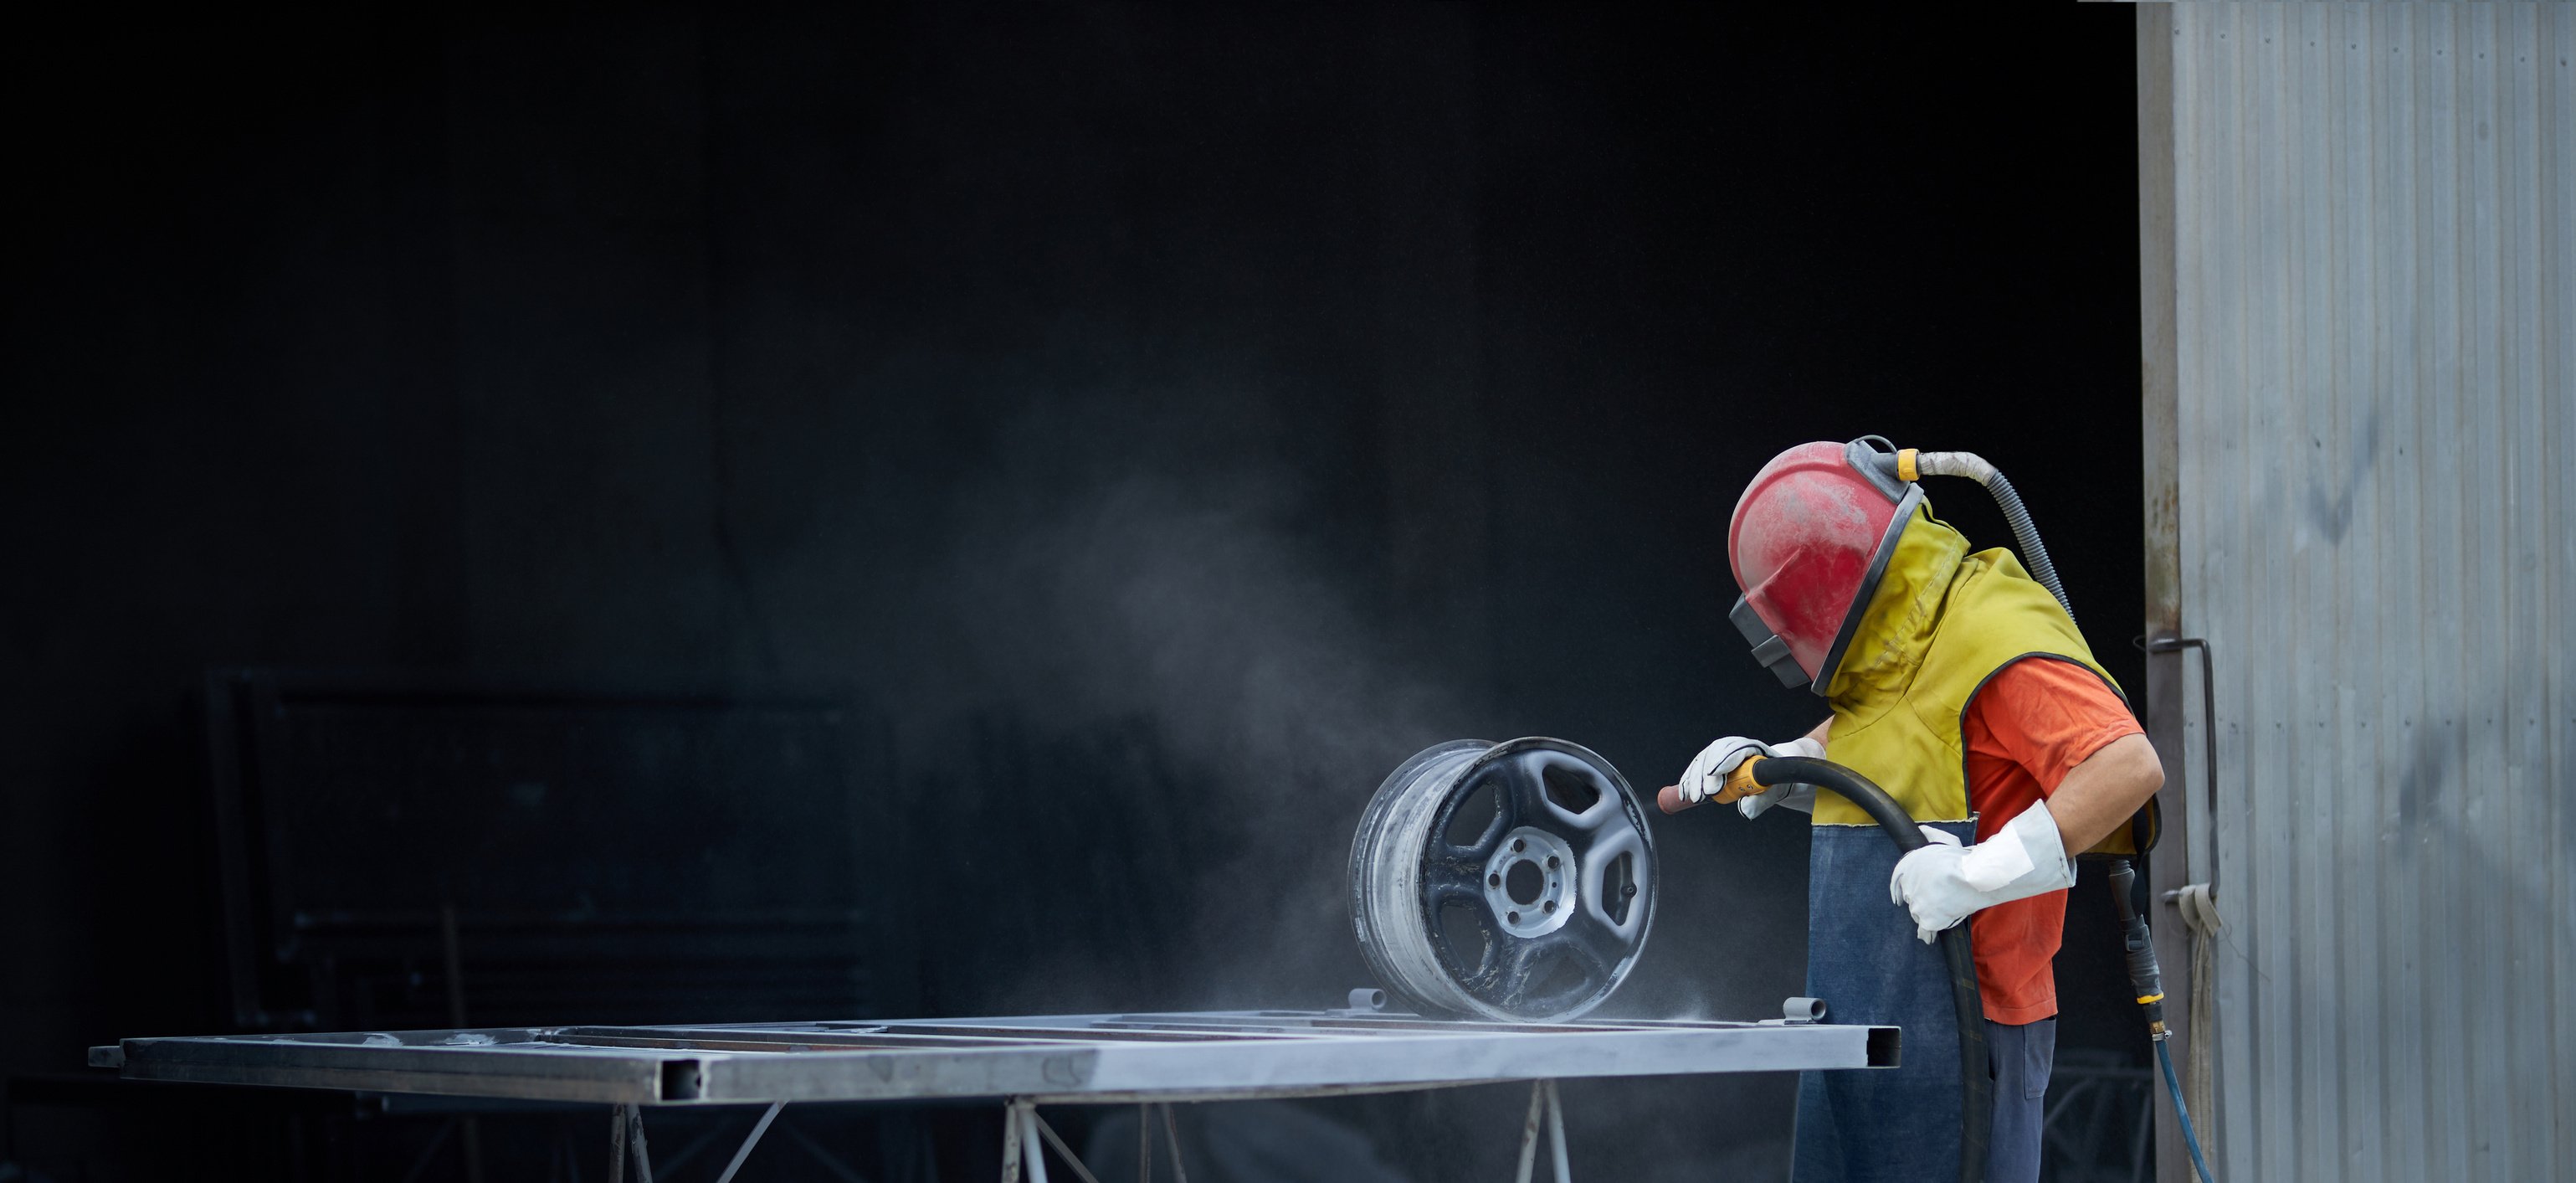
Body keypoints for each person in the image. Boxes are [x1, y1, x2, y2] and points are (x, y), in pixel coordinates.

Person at [1665, 439, 2163, 1183]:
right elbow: (1892, 738)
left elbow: (2127, 766)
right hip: (1862, 1005)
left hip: (1975, 1023)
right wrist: (1779, 765)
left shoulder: (1994, 630)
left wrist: (1979, 870)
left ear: (1830, 595)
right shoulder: (1894, 647)